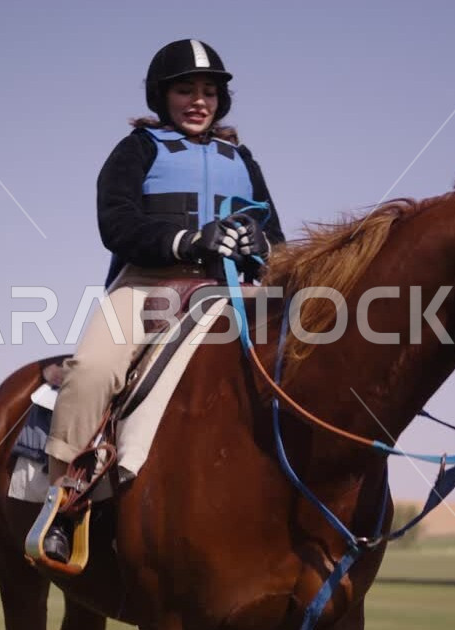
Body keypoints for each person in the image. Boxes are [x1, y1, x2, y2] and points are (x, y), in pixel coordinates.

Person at [41, 39, 285, 562]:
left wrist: (264, 247)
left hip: (232, 292)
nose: (199, 101)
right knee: (93, 368)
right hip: (151, 286)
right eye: (186, 90)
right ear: (162, 95)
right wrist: (187, 241)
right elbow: (117, 224)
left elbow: (277, 240)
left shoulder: (242, 159)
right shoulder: (137, 149)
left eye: (209, 91)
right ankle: (64, 501)